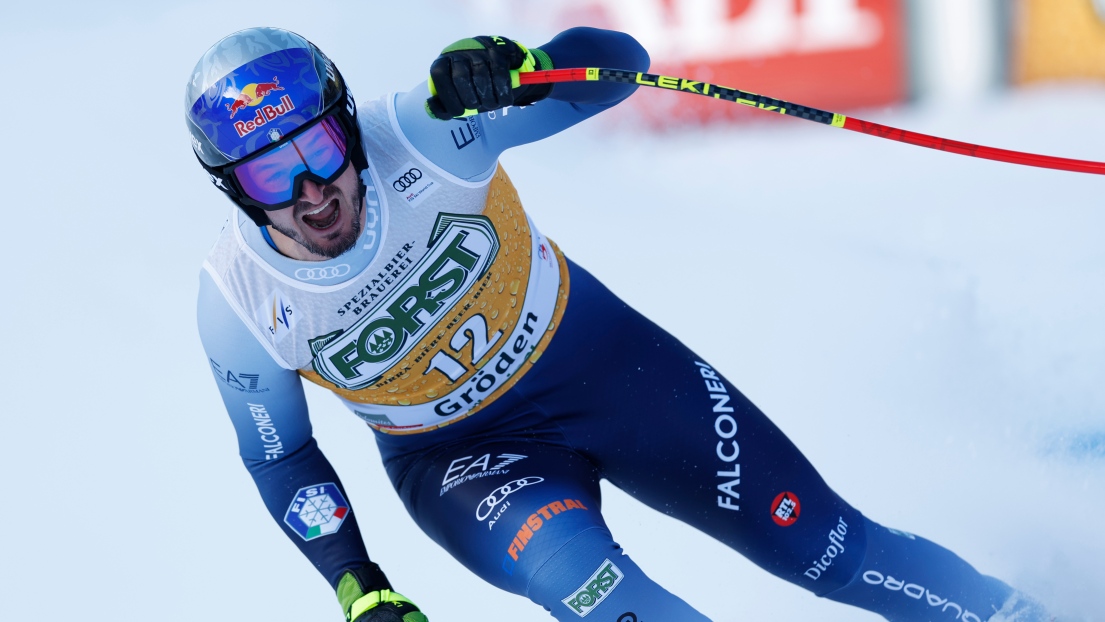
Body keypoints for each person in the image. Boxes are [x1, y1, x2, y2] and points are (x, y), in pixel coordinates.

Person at [186, 26, 1052, 622]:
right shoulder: (239, 303)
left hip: (598, 364)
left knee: (817, 544)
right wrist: (359, 586)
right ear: (229, 185)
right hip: (462, 462)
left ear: (345, 124)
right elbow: (280, 453)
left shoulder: (424, 131)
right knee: (607, 598)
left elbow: (619, 67)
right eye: (268, 174)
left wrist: (528, 63)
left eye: (318, 149)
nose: (310, 192)